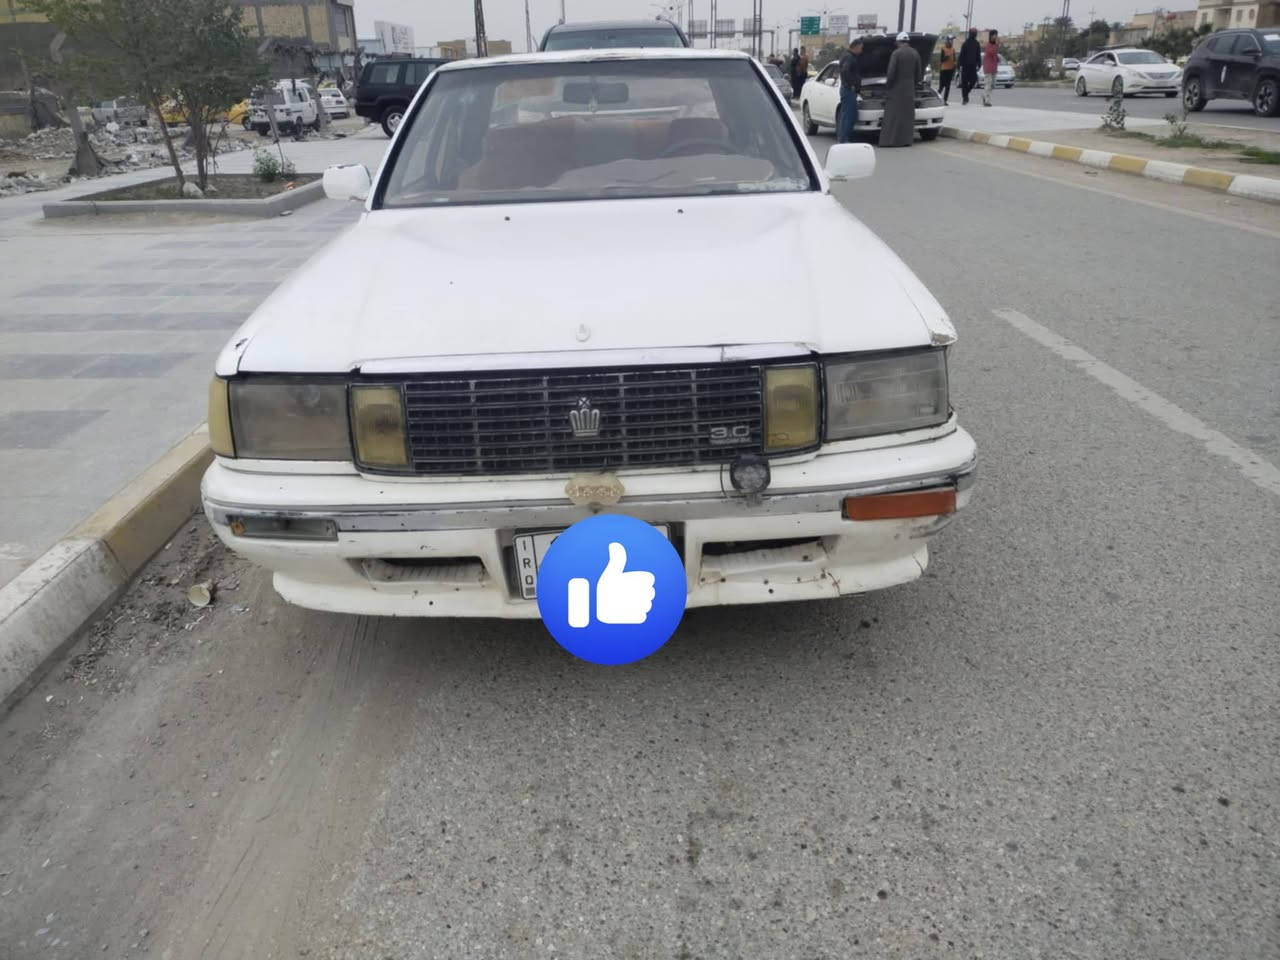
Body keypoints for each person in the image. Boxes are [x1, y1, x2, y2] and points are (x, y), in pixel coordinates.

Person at [879, 32, 922, 148]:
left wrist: (887, 87)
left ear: (898, 42)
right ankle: (906, 140)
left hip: (896, 90)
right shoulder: (915, 53)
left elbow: (891, 73)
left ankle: (890, 141)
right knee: (907, 116)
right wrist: (913, 85)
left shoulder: (896, 53)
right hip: (909, 90)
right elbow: (919, 74)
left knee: (892, 116)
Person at [837, 38, 863, 144]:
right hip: (848, 90)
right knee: (848, 116)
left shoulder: (847, 56)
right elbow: (845, 71)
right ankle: (844, 140)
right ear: (856, 47)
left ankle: (844, 138)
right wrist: (851, 84)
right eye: (861, 48)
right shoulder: (849, 57)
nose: (861, 51)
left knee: (850, 115)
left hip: (848, 90)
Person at [958, 27, 981, 105]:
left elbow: (978, 55)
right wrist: (959, 65)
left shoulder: (977, 44)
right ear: (970, 34)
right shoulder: (965, 43)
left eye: (975, 33)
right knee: (964, 82)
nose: (974, 34)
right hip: (965, 66)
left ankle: (966, 93)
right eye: (973, 33)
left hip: (973, 66)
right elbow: (961, 55)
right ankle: (965, 98)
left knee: (973, 80)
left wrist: (979, 64)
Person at [981, 29, 1000, 107]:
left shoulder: (995, 45)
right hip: (988, 67)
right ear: (991, 36)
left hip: (994, 68)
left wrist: (997, 59)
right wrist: (997, 45)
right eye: (994, 35)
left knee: (993, 85)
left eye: (996, 35)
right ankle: (987, 101)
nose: (996, 36)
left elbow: (995, 54)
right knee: (988, 84)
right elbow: (992, 52)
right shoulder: (988, 45)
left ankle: (984, 95)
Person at [938, 35, 956, 105]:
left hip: (950, 70)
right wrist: (946, 57)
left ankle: (945, 100)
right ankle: (937, 99)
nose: (950, 42)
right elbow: (941, 60)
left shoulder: (953, 49)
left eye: (951, 41)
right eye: (949, 41)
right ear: (946, 41)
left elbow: (954, 59)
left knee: (948, 86)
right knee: (942, 86)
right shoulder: (943, 49)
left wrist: (954, 66)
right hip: (943, 70)